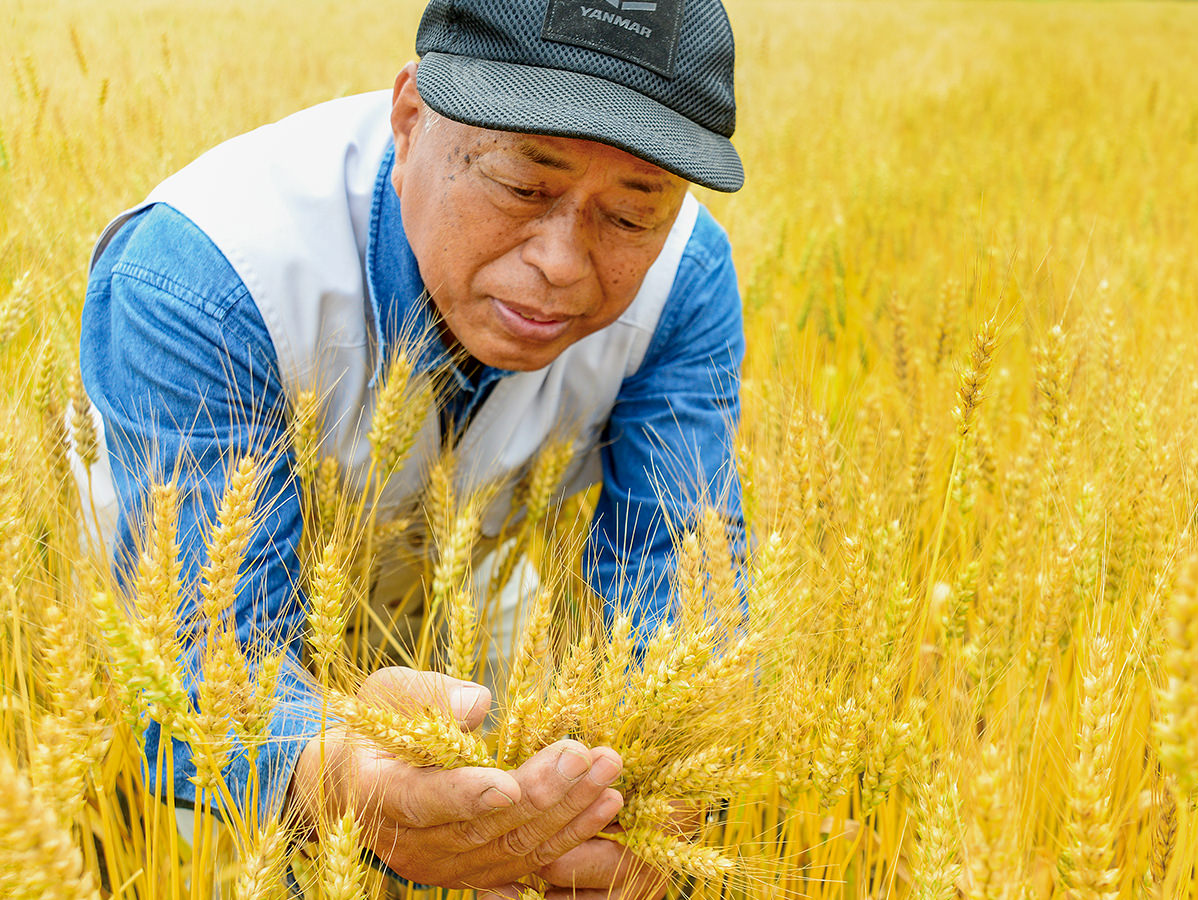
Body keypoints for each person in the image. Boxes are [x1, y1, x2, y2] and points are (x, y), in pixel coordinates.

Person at [77, 0, 746, 894]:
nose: (563, 262)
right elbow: (198, 654)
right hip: (154, 661)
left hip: (466, 633)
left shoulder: (687, 282)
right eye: (522, 186)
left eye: (630, 217)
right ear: (409, 117)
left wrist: (641, 810)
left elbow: (678, 589)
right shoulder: (202, 273)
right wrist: (340, 778)